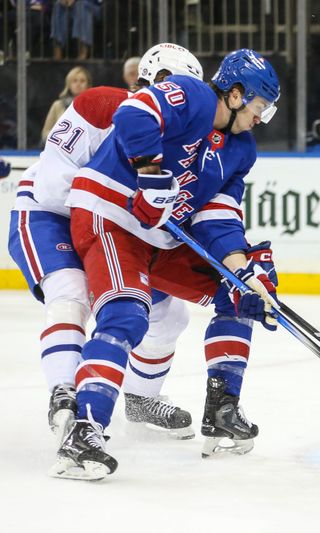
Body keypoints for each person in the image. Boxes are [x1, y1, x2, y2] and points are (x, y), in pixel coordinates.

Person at [50, 48, 281, 481]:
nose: (259, 118)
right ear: (234, 94)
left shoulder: (241, 149)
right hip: (112, 214)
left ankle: (222, 410)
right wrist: (150, 169)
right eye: (258, 107)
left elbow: (218, 215)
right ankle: (83, 431)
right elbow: (136, 110)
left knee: (237, 292)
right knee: (125, 312)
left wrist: (242, 268)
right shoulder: (193, 95)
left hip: (161, 235)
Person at [8, 44, 206, 447]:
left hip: (111, 227)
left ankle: (140, 399)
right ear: (156, 82)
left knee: (168, 315)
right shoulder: (100, 104)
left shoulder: (178, 143)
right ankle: (65, 391)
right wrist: (119, 205)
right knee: (71, 292)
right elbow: (52, 183)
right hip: (50, 216)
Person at [41, 66, 92, 144]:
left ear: (88, 85)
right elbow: (45, 133)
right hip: (61, 150)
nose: (78, 84)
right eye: (74, 81)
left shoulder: (94, 106)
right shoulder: (58, 105)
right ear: (69, 84)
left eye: (82, 81)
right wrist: (60, 138)